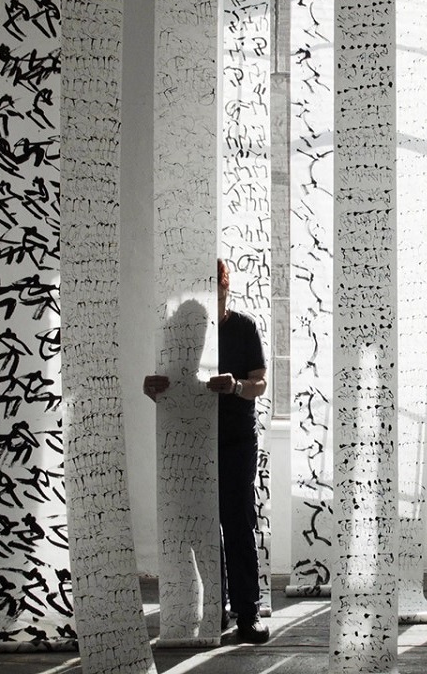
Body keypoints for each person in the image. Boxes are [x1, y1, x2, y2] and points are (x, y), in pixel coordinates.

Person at [143, 259, 270, 643]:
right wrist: (152, 388)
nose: (215, 299)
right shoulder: (177, 327)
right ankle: (215, 610)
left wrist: (234, 387)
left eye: (219, 290)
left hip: (235, 440)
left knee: (237, 525)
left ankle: (247, 613)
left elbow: (259, 384)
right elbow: (167, 383)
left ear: (225, 288)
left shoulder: (243, 326)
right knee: (198, 530)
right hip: (193, 441)